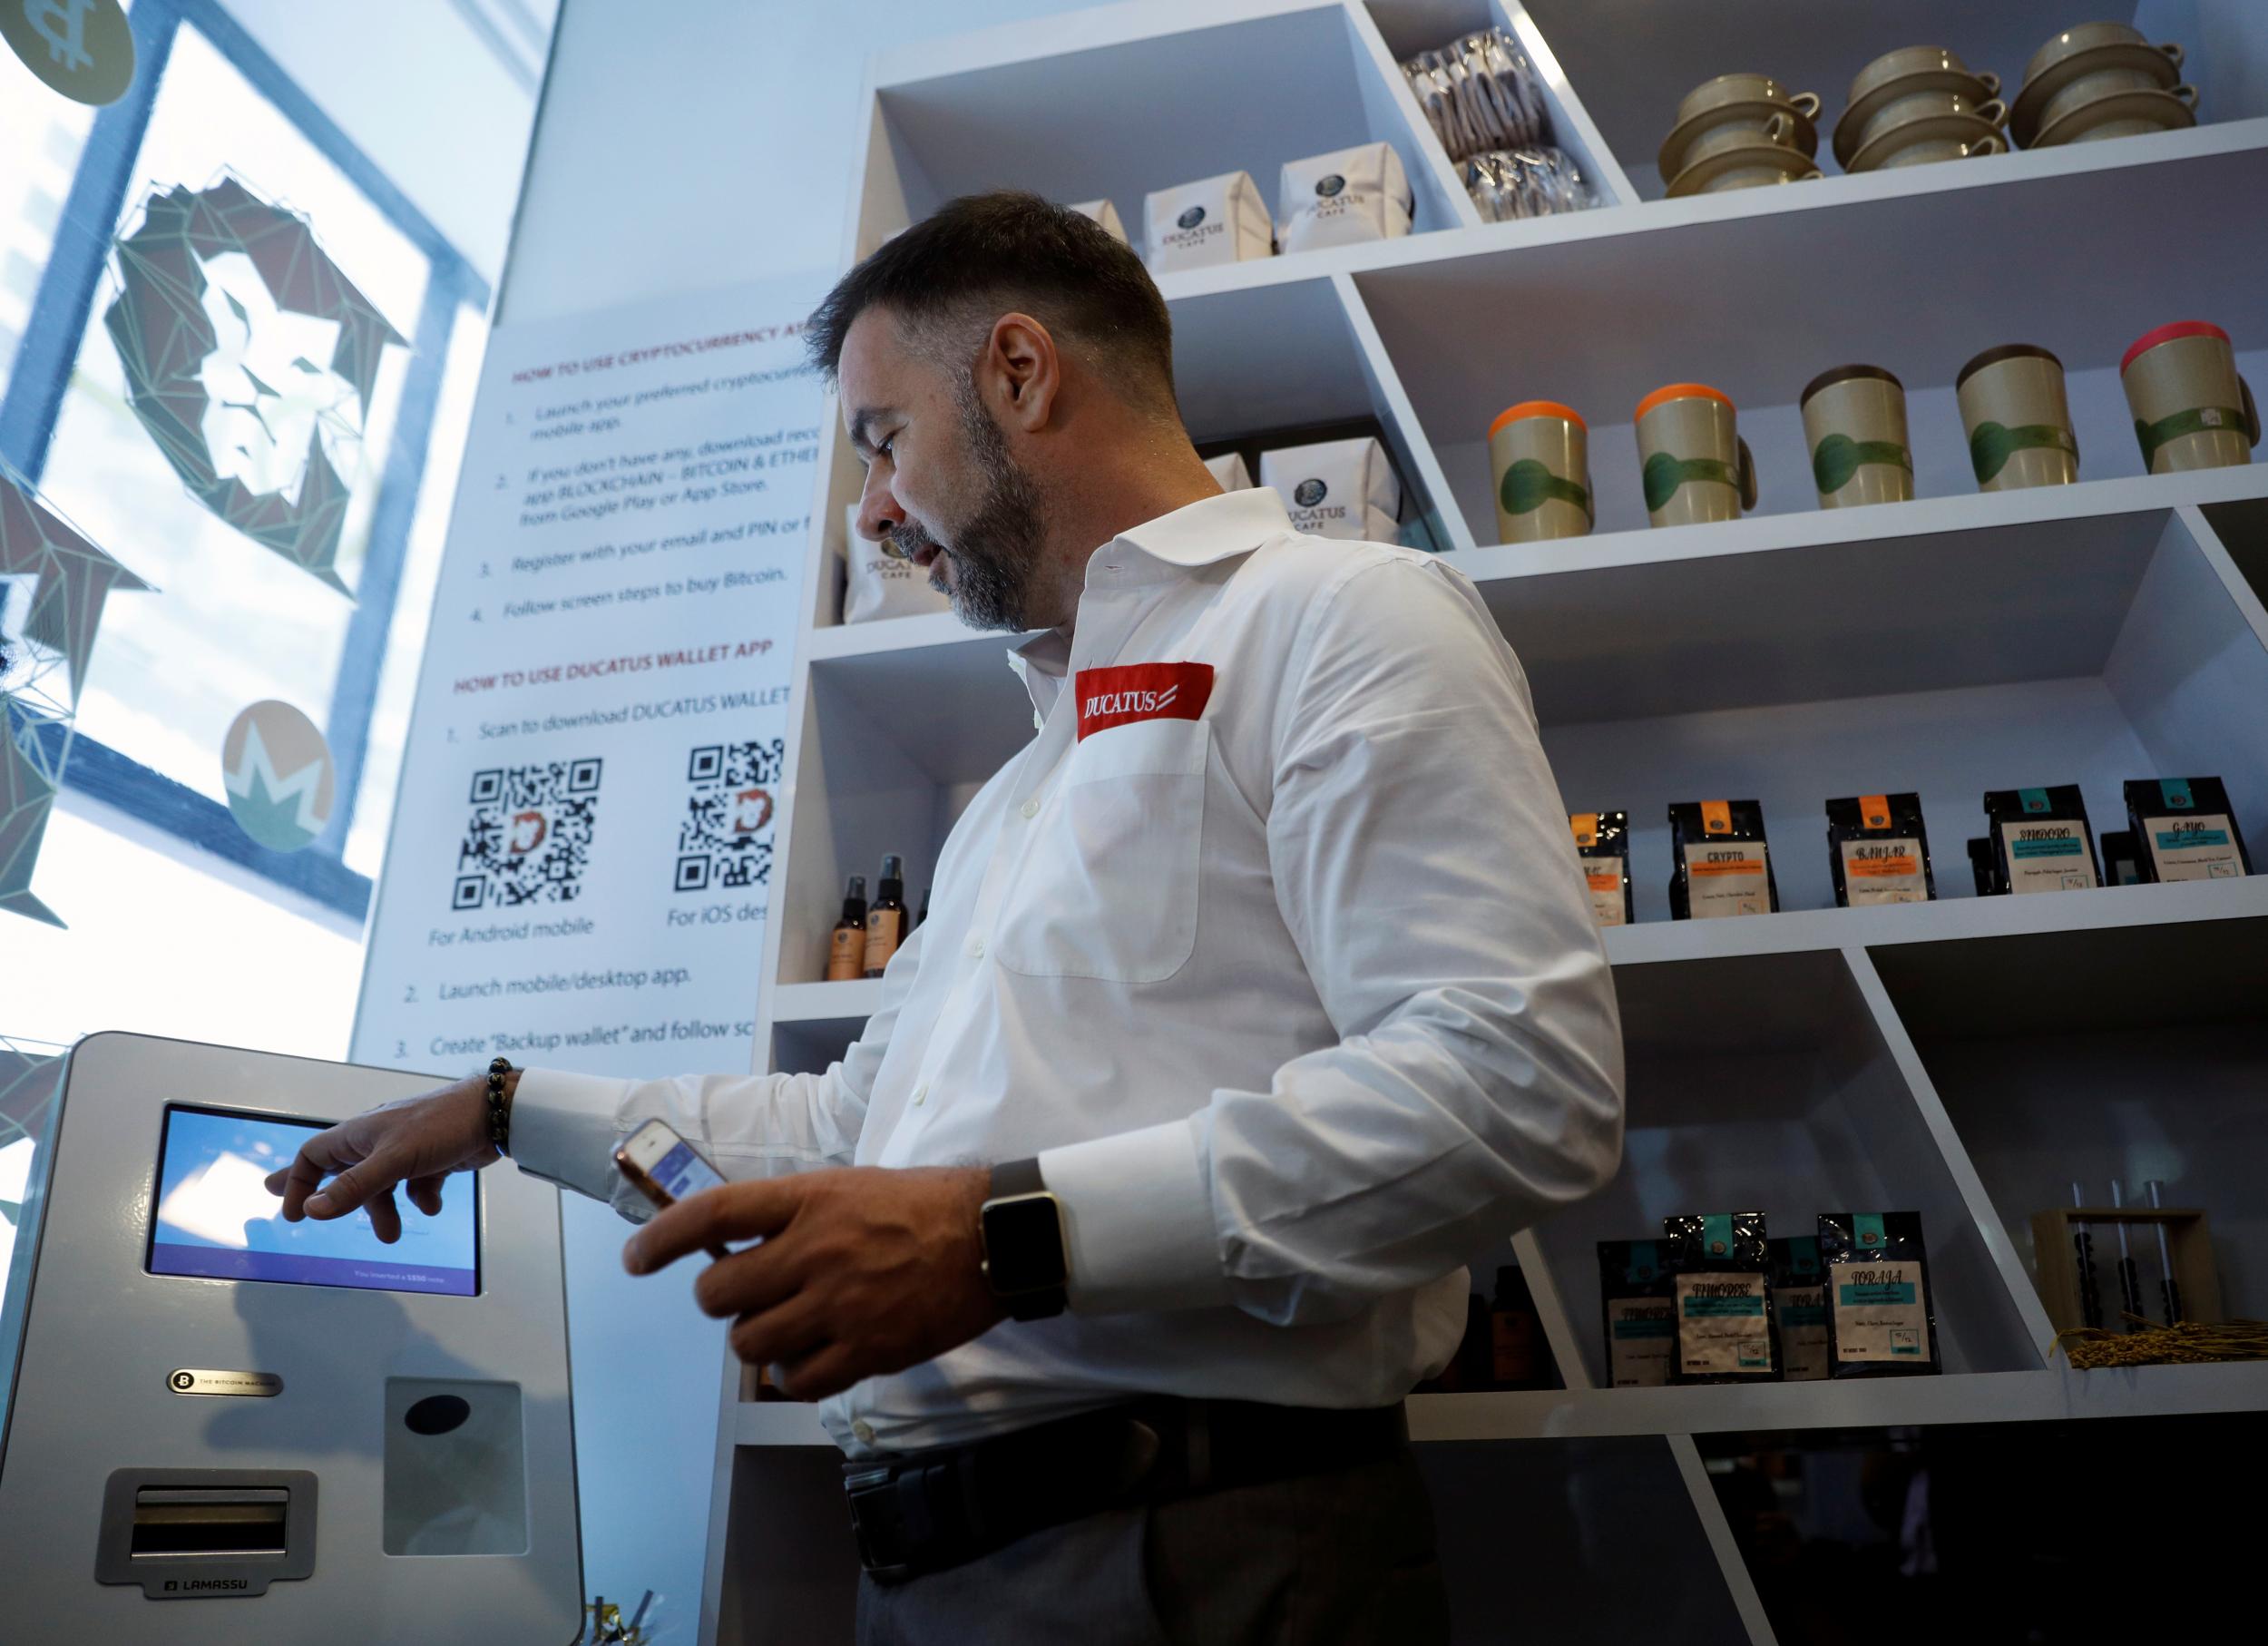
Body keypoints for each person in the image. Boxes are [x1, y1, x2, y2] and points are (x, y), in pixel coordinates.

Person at [267, 191, 1625, 1644]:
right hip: (934, 1577)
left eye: (882, 440)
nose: (871, 512)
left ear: (1020, 374)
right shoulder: (1023, 789)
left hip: (1194, 1560)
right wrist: (504, 1108)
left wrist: (999, 1239)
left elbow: (1516, 1083)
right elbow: (855, 1135)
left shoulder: (1344, 616)